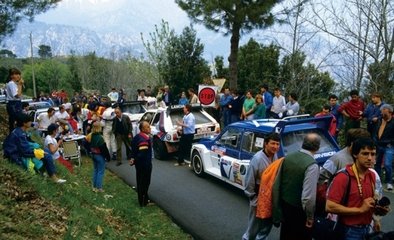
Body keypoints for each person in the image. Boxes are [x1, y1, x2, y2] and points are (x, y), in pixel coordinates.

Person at [326, 138, 389, 239]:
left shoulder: (372, 175)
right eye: (365, 154)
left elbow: (369, 203)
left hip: (368, 228)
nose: (369, 158)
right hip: (349, 231)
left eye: (373, 154)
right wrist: (359, 210)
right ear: (355, 155)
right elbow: (330, 206)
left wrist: (377, 213)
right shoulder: (343, 177)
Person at [279, 133, 321, 240]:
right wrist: (310, 217)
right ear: (317, 147)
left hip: (285, 205)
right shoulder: (312, 165)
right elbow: (308, 198)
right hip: (299, 212)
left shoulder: (288, 157)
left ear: (303, 143)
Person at [4, 113, 66, 183]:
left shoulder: (18, 131)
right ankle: (54, 178)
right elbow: (25, 151)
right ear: (24, 123)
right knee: (47, 155)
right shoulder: (20, 134)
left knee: (46, 151)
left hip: (16, 152)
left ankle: (45, 173)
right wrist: (39, 152)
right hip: (16, 156)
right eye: (30, 121)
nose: (31, 122)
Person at [242, 133, 280, 240]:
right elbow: (250, 180)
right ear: (265, 144)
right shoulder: (257, 158)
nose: (275, 146)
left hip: (270, 197)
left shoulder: (275, 155)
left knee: (267, 224)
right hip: (258, 196)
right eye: (273, 143)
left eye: (277, 144)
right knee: (254, 226)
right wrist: (253, 197)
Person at [130, 121, 154, 207]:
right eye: (147, 127)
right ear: (143, 129)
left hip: (139, 165)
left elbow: (133, 149)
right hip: (145, 165)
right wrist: (135, 160)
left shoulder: (137, 137)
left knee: (140, 181)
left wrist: (132, 158)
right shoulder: (144, 140)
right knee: (144, 183)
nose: (149, 128)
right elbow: (141, 154)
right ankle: (143, 202)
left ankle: (145, 199)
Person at [373, 104, 394, 191]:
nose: (382, 112)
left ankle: (389, 182)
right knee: (377, 163)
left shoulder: (393, 122)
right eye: (381, 111)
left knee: (387, 164)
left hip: (389, 146)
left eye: (384, 111)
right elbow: (376, 132)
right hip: (379, 145)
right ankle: (378, 180)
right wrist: (375, 141)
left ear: (389, 112)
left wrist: (391, 143)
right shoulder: (379, 121)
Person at [85, 121, 111, 192]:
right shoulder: (100, 138)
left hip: (93, 154)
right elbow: (104, 149)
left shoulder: (90, 135)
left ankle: (94, 186)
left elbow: (85, 142)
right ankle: (99, 188)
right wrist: (108, 157)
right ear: (99, 127)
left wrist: (89, 150)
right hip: (99, 156)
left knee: (96, 170)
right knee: (100, 171)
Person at [5, 68, 24, 132]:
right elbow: (17, 95)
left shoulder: (13, 83)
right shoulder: (11, 83)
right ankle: (15, 138)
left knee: (13, 123)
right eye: (15, 74)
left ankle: (14, 138)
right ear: (11, 76)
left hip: (14, 104)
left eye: (18, 74)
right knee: (18, 122)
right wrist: (20, 85)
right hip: (14, 104)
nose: (17, 76)